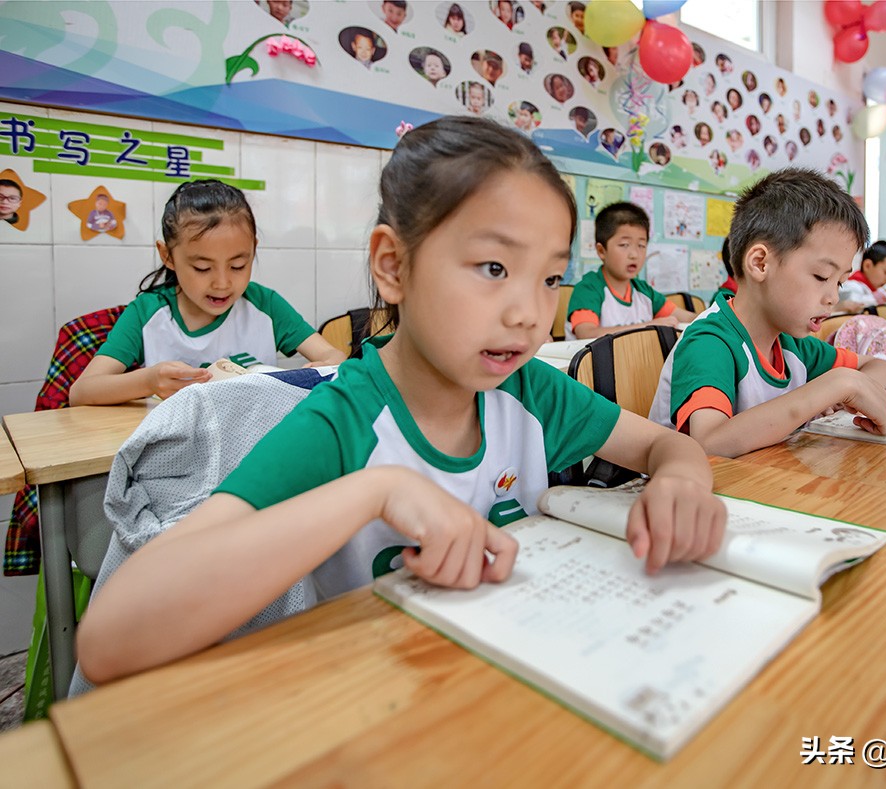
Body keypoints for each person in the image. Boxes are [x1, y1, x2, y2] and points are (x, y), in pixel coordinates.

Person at [75, 117, 726, 684]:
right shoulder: (342, 421)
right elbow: (110, 641)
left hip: (510, 687)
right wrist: (373, 490)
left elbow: (665, 444)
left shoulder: (529, 391)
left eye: (550, 276)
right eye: (494, 268)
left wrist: (682, 479)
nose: (531, 313)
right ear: (391, 265)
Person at [648, 168, 886, 457]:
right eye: (821, 276)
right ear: (760, 264)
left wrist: (852, 388)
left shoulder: (792, 345)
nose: (833, 297)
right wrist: (832, 388)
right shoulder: (710, 342)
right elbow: (710, 443)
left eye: (840, 281)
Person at [69, 180, 345, 406]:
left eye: (239, 265)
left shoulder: (264, 305)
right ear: (168, 256)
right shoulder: (147, 312)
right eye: (202, 268)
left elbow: (335, 358)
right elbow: (82, 392)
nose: (223, 283)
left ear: (253, 249)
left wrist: (315, 373)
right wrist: (149, 381)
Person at [566, 202, 698, 340]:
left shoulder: (644, 291)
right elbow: (587, 334)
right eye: (624, 245)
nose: (634, 254)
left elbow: (687, 317)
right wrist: (649, 327)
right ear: (601, 251)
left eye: (641, 245)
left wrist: (715, 314)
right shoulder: (589, 289)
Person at [837, 240, 886, 310]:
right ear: (867, 266)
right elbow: (852, 302)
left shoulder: (876, 290)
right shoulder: (852, 286)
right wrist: (881, 298)